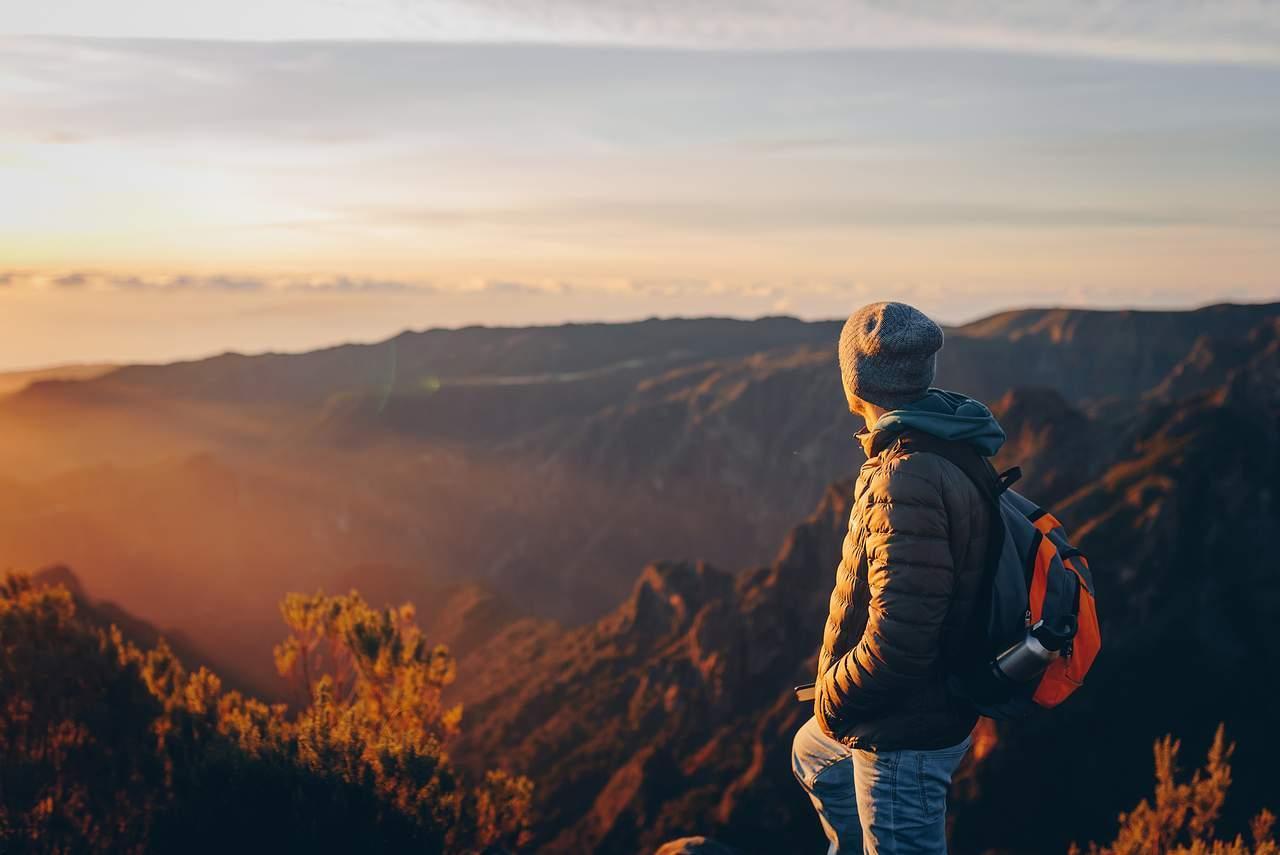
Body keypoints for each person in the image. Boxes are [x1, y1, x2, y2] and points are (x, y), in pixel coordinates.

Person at [791, 301, 1006, 854]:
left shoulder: (904, 476)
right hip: (927, 697)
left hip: (904, 728)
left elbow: (901, 641)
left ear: (855, 381)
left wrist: (833, 697)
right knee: (813, 753)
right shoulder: (948, 439)